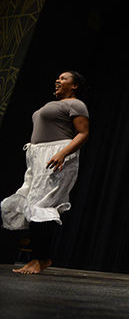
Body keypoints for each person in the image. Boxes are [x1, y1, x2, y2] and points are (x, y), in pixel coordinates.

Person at [2, 71, 90, 274]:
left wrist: (62, 154)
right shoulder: (55, 104)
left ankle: (38, 258)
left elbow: (83, 133)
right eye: (57, 77)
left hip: (56, 154)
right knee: (33, 204)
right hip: (38, 156)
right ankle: (42, 258)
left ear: (74, 86)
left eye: (63, 78)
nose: (58, 80)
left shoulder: (76, 104)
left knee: (40, 206)